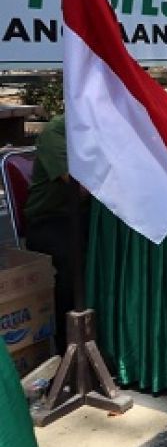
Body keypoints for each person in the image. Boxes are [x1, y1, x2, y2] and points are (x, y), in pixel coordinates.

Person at [23, 115, 85, 351]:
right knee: (74, 264)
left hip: (88, 216)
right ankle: (69, 346)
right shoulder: (56, 133)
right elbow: (79, 187)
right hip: (51, 218)